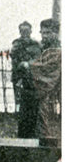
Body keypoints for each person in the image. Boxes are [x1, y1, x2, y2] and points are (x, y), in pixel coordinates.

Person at [30, 18, 61, 148]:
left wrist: (29, 66)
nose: (44, 36)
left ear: (56, 33)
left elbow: (47, 71)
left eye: (48, 33)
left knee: (54, 130)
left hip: (55, 98)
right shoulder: (44, 50)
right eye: (42, 33)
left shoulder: (58, 52)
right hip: (46, 99)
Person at [10, 21, 42, 139]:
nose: (24, 33)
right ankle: (22, 131)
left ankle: (32, 132)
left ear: (31, 31)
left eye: (27, 31)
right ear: (19, 31)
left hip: (32, 80)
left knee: (33, 107)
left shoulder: (36, 44)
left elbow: (38, 59)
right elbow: (14, 59)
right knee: (20, 105)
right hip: (19, 77)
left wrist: (28, 63)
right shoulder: (16, 43)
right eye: (22, 31)